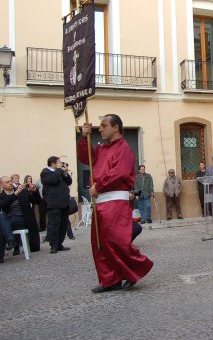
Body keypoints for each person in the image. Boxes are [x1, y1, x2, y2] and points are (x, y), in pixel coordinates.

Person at [78, 114, 153, 293]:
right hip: (101, 202)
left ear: (116, 127)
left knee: (118, 241)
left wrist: (99, 186)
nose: (100, 129)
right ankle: (110, 279)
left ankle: (138, 267)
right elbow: (85, 157)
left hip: (115, 202)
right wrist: (83, 137)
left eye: (104, 125)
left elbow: (119, 173)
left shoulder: (125, 149)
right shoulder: (102, 149)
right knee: (100, 244)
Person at [0, 176, 41, 254]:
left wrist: (35, 191)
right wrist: (15, 194)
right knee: (2, 217)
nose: (10, 183)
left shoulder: (23, 192)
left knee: (2, 220)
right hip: (8, 221)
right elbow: (3, 205)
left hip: (22, 219)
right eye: (7, 182)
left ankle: (11, 242)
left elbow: (37, 201)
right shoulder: (1, 196)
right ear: (1, 185)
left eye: (10, 181)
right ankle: (10, 243)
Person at [41, 157, 72, 254]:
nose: (60, 164)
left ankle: (59, 244)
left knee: (63, 225)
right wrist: (59, 170)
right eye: (58, 162)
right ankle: (53, 245)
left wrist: (66, 173)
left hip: (64, 203)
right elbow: (53, 180)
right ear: (52, 163)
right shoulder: (45, 172)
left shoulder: (59, 172)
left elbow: (69, 182)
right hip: (54, 204)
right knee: (55, 225)